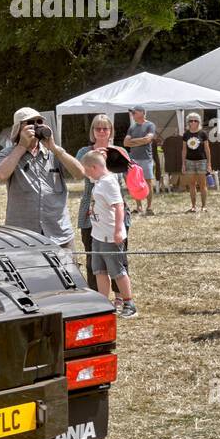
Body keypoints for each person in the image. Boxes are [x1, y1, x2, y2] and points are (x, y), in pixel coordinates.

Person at [0, 107, 84, 251]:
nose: (36, 126)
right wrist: (22, 146)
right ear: (18, 129)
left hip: (58, 233)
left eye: (39, 121)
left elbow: (79, 174)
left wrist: (54, 148)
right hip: (23, 236)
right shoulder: (8, 154)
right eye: (30, 122)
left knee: (67, 273)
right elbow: (1, 174)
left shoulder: (54, 152)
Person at [76, 114, 130, 301]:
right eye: (97, 128)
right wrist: (94, 158)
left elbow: (124, 180)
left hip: (114, 209)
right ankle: (98, 300)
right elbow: (78, 173)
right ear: (92, 131)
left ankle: (121, 298)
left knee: (117, 257)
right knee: (94, 259)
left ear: (111, 131)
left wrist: (107, 162)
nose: (101, 132)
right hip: (90, 210)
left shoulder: (119, 151)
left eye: (105, 128)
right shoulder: (84, 151)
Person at [82, 150, 138, 318]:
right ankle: (103, 304)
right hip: (97, 235)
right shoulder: (98, 180)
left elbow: (119, 206)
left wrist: (119, 229)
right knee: (98, 270)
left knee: (117, 270)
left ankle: (129, 304)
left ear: (94, 168)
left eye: (87, 170)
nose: (86, 174)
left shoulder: (108, 182)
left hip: (110, 236)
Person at [123, 107, 157, 215]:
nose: (132, 114)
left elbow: (148, 139)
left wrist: (133, 141)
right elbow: (125, 143)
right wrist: (141, 141)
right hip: (134, 159)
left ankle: (149, 207)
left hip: (146, 158)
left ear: (142, 113)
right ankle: (139, 207)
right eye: (132, 112)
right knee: (135, 183)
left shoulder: (150, 125)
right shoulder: (132, 127)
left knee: (148, 182)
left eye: (134, 112)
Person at [180, 113, 209, 214]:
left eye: (195, 121)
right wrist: (183, 164)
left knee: (202, 184)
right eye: (191, 121)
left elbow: (207, 149)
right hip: (189, 161)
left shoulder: (203, 134)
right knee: (192, 184)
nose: (193, 123)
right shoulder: (186, 134)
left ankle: (204, 206)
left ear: (199, 122)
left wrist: (209, 164)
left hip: (201, 161)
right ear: (188, 122)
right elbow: (184, 150)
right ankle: (193, 206)